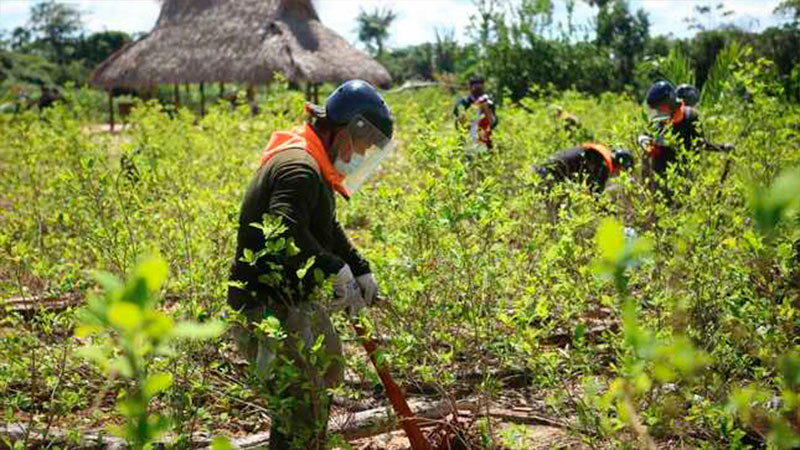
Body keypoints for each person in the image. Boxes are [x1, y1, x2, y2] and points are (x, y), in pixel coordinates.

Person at [227, 79, 394, 450]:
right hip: (264, 303)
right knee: (300, 401)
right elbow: (281, 233)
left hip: (290, 297)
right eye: (363, 146)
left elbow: (325, 226)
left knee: (325, 371)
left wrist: (358, 265)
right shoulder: (299, 167)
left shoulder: (314, 162)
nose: (360, 156)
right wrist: (333, 268)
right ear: (347, 130)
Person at [639, 80, 732, 197]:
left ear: (670, 101)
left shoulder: (690, 116)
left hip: (683, 178)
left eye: (660, 107)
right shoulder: (660, 119)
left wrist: (721, 147)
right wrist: (643, 139)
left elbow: (700, 143)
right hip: (659, 180)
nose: (658, 111)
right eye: (656, 109)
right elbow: (647, 135)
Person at [536, 143, 635, 194]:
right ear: (619, 165)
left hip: (541, 168)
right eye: (621, 171)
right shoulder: (602, 165)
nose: (617, 174)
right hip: (547, 175)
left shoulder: (597, 155)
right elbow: (595, 194)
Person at [453, 75, 498, 153]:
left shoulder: (488, 103)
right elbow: (458, 125)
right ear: (470, 87)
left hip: (484, 145)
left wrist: (486, 108)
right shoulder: (464, 103)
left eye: (480, 87)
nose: (478, 90)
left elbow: (493, 123)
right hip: (468, 145)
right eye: (475, 87)